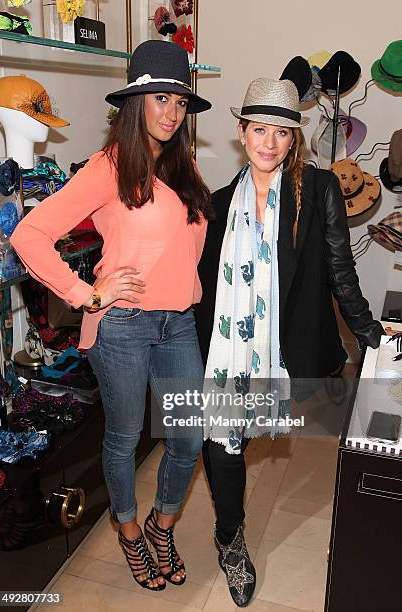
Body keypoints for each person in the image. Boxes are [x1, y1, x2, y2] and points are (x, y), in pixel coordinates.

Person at [11, 40, 213, 592]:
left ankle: (161, 525)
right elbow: (28, 234)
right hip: (122, 324)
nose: (172, 112)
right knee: (124, 437)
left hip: (178, 322)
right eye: (160, 98)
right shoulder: (109, 167)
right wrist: (86, 294)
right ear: (135, 102)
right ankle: (128, 533)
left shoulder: (182, 164)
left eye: (180, 101)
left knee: (189, 437)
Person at [194, 77, 384, 607]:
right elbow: (200, 285)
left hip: (281, 345)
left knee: (246, 434)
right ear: (241, 132)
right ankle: (230, 538)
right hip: (227, 347)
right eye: (260, 130)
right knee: (221, 441)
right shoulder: (217, 204)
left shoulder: (318, 190)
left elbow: (340, 270)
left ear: (294, 137)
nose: (270, 142)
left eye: (281, 132)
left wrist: (368, 330)